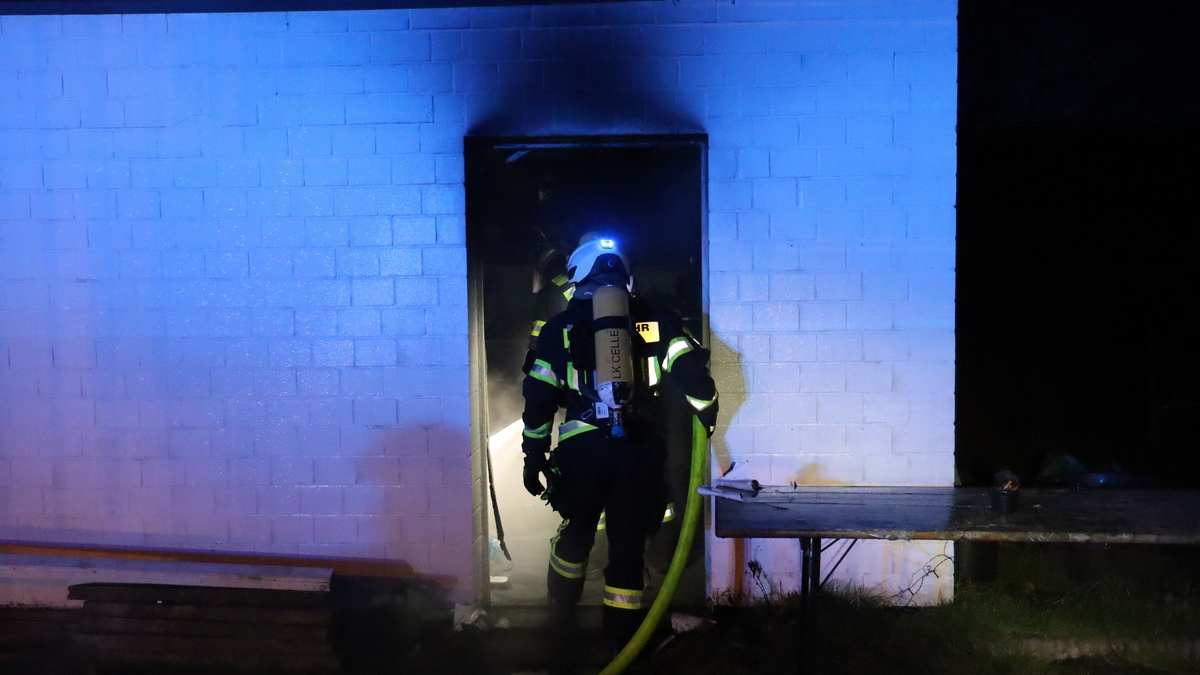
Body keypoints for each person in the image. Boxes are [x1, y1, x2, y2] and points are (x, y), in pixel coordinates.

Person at [519, 233, 718, 649]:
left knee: (576, 533)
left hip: (582, 453)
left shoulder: (559, 329)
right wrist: (708, 414)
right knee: (627, 551)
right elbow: (693, 376)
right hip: (640, 451)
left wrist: (533, 454)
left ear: (577, 274)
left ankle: (560, 620)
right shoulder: (656, 319)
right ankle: (622, 643)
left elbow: (539, 397)